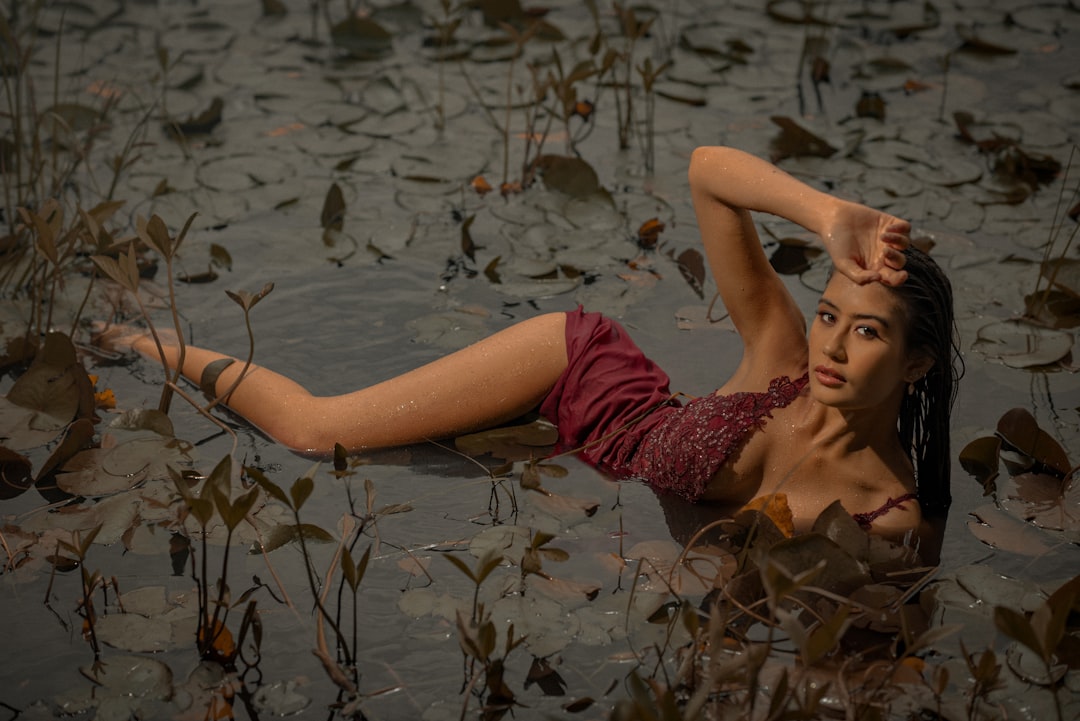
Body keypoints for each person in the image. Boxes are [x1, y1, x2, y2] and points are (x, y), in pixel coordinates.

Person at [99, 146, 961, 541]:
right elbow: (706, 171)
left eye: (869, 330)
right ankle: (156, 345)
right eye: (829, 314)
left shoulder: (885, 517)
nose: (834, 345)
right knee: (316, 432)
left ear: (917, 362)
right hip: (583, 371)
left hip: (598, 457)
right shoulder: (781, 351)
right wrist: (826, 216)